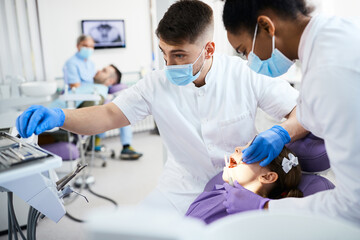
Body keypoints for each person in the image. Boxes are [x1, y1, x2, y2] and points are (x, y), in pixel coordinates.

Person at [16, 0, 307, 214]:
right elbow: (107, 115)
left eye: (179, 55)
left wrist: (282, 132)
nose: (170, 65)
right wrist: (59, 116)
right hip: (179, 187)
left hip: (239, 188)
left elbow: (302, 112)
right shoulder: (155, 84)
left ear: (209, 50)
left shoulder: (245, 74)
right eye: (164, 53)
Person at [222, 0, 360, 225]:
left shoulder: (330, 73)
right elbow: (309, 115)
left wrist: (265, 207)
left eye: (244, 50)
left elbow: (354, 206)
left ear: (266, 26)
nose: (249, 61)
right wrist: (282, 133)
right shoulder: (329, 36)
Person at [63, 37, 142, 160]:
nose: (89, 49)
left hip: (95, 94)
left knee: (121, 108)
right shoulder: (71, 63)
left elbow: (97, 80)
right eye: (86, 45)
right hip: (82, 99)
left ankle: (124, 145)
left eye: (91, 46)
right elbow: (77, 88)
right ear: (78, 46)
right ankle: (97, 142)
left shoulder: (90, 63)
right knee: (112, 110)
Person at [186, 145, 303, 224]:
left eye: (252, 150)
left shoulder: (253, 220)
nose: (237, 149)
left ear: (267, 177)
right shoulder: (214, 193)